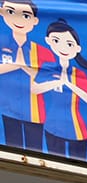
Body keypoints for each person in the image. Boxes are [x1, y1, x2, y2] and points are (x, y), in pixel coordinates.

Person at [36, 19, 87, 160]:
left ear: (77, 48)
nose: (63, 47)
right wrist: (55, 82)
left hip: (77, 130)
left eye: (69, 44)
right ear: (48, 41)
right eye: (56, 41)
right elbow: (34, 88)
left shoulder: (78, 74)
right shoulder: (48, 68)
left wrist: (70, 85)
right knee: (53, 168)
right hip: (52, 127)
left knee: (80, 171)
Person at [0, 1, 51, 151]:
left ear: (35, 21)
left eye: (26, 15)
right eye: (10, 12)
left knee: (36, 152)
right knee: (10, 152)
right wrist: (17, 64)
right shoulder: (2, 43)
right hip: (6, 107)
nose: (18, 20)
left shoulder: (42, 52)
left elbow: (48, 80)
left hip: (35, 113)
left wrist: (25, 67)